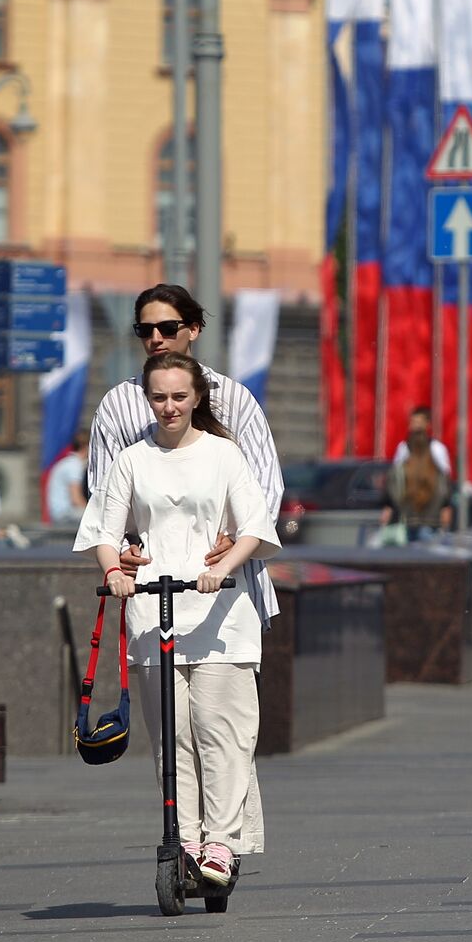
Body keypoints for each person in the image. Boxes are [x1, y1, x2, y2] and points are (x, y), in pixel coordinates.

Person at [83, 283, 281, 855]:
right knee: (174, 735)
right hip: (155, 586)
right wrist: (119, 552)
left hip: (223, 584)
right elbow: (106, 497)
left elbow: (263, 487)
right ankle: (188, 841)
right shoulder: (120, 407)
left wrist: (233, 539)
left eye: (167, 328)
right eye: (145, 329)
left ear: (192, 330)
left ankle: (225, 842)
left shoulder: (235, 400)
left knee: (223, 727)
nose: (155, 338)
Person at [385, 428, 453, 541]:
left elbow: (393, 494)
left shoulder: (401, 471)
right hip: (432, 524)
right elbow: (444, 494)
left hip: (407, 524)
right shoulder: (437, 471)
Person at [391, 406, 452, 476]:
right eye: (413, 422)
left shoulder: (437, 448)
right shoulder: (403, 447)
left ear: (427, 424)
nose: (416, 426)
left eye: (419, 423)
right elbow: (396, 472)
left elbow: (445, 473)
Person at [46, 431, 90, 524]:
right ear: (86, 447)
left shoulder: (67, 462)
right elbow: (75, 498)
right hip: (64, 514)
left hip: (58, 513)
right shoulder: (74, 466)